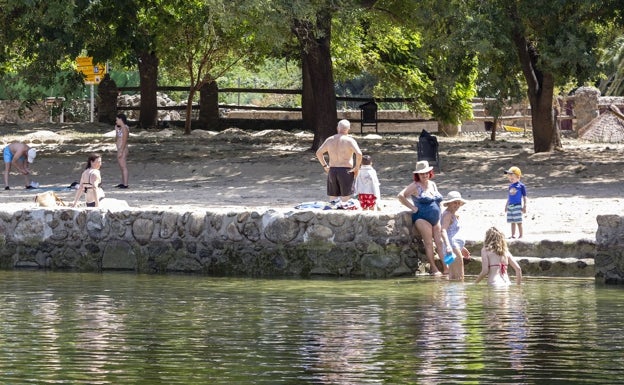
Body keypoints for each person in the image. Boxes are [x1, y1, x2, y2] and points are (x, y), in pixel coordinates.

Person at [397, 160, 445, 276]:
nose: (424, 175)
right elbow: (400, 196)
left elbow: (439, 201)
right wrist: (413, 208)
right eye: (422, 173)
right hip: (422, 218)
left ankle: (446, 267)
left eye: (427, 173)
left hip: (436, 218)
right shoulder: (415, 186)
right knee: (428, 243)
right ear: (417, 175)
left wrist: (442, 213)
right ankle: (434, 268)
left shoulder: (432, 184)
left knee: (441, 243)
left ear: (430, 173)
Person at [315, 119, 363, 207]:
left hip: (332, 170)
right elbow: (359, 154)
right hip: (345, 170)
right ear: (348, 129)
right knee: (345, 199)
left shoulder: (330, 139)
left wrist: (325, 166)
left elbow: (318, 153)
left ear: (337, 128)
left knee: (332, 199)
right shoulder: (349, 140)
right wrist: (357, 168)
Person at [440, 191, 472, 280]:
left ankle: (451, 293)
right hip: (452, 247)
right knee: (459, 276)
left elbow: (453, 233)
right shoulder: (448, 215)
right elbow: (443, 230)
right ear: (449, 203)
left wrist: (461, 247)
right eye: (454, 202)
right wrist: (448, 246)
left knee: (453, 276)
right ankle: (459, 293)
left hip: (453, 246)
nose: (457, 205)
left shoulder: (451, 214)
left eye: (458, 203)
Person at [504, 166, 527, 238]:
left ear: (518, 177)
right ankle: (513, 235)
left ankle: (521, 235)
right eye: (509, 175)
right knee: (512, 221)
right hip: (510, 205)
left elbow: (524, 196)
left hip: (517, 205)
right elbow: (509, 196)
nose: (510, 177)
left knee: (518, 221)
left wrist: (525, 205)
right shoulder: (510, 186)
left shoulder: (521, 186)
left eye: (512, 175)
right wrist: (506, 205)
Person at [114, 113, 130, 188]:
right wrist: (116, 131)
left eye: (117, 120)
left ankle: (125, 184)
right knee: (121, 166)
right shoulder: (121, 128)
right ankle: (123, 182)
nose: (116, 121)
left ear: (121, 119)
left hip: (122, 149)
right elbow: (117, 138)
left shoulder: (124, 128)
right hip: (120, 148)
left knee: (123, 166)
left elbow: (124, 140)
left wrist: (121, 150)